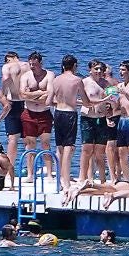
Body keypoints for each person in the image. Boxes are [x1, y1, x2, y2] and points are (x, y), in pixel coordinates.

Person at [19, 52, 55, 180]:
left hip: (44, 113)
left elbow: (50, 94)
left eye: (34, 64)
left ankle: (50, 173)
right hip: (29, 113)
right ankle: (30, 174)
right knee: (30, 144)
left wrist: (32, 95)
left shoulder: (49, 75)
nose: (32, 67)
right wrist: (40, 93)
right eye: (30, 64)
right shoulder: (26, 76)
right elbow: (22, 95)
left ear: (40, 63)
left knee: (45, 143)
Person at [49, 55, 83, 189]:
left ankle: (59, 179)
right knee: (69, 147)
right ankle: (66, 180)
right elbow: (85, 100)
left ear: (63, 66)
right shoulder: (77, 80)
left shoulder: (56, 80)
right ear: (74, 66)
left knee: (59, 147)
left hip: (58, 113)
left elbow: (49, 101)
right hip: (70, 114)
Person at [0, 51, 27, 180]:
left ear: (12, 58)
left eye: (7, 59)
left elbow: (6, 79)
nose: (6, 62)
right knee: (28, 139)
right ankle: (30, 170)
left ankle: (9, 171)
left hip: (13, 102)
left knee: (12, 139)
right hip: (27, 103)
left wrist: (3, 95)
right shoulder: (28, 66)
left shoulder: (7, 67)